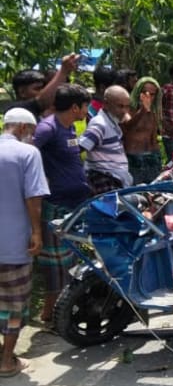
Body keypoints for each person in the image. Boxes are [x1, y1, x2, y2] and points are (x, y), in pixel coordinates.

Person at [33, 84, 92, 326]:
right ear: (76, 107)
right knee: (56, 266)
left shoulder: (69, 129)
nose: (87, 111)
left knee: (70, 262)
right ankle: (50, 316)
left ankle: (59, 314)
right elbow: (29, 156)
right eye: (85, 106)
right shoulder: (48, 128)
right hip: (56, 205)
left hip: (74, 205)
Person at [0, 108, 49, 378]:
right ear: (22, 128)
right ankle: (7, 361)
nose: (32, 137)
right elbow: (34, 198)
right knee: (14, 304)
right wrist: (37, 233)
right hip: (14, 244)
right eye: (31, 132)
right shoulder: (27, 154)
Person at [79, 86, 133, 194]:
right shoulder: (100, 124)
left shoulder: (112, 123)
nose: (124, 111)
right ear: (106, 104)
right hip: (105, 181)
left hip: (116, 180)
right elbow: (78, 148)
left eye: (127, 106)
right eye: (120, 106)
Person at [4, 54, 80, 119]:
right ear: (22, 92)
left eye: (43, 88)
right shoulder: (16, 110)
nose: (43, 92)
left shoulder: (42, 113)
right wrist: (64, 70)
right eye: (37, 89)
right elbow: (42, 101)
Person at [123, 77, 163, 184]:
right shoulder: (128, 108)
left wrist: (157, 157)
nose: (148, 96)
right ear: (138, 92)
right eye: (145, 92)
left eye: (152, 94)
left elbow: (153, 137)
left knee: (153, 193)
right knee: (135, 194)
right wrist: (143, 110)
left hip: (151, 159)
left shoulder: (154, 112)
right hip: (134, 159)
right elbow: (128, 126)